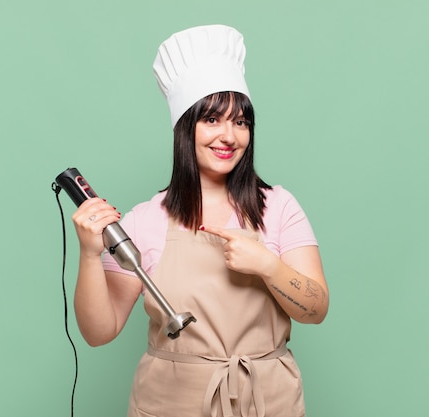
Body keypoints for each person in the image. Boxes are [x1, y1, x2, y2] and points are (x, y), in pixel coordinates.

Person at [71, 24, 329, 417]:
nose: (229, 136)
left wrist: (267, 266)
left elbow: (315, 309)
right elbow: (98, 333)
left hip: (267, 400)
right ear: (185, 128)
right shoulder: (145, 220)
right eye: (212, 120)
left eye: (241, 122)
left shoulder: (278, 206)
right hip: (170, 402)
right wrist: (90, 254)